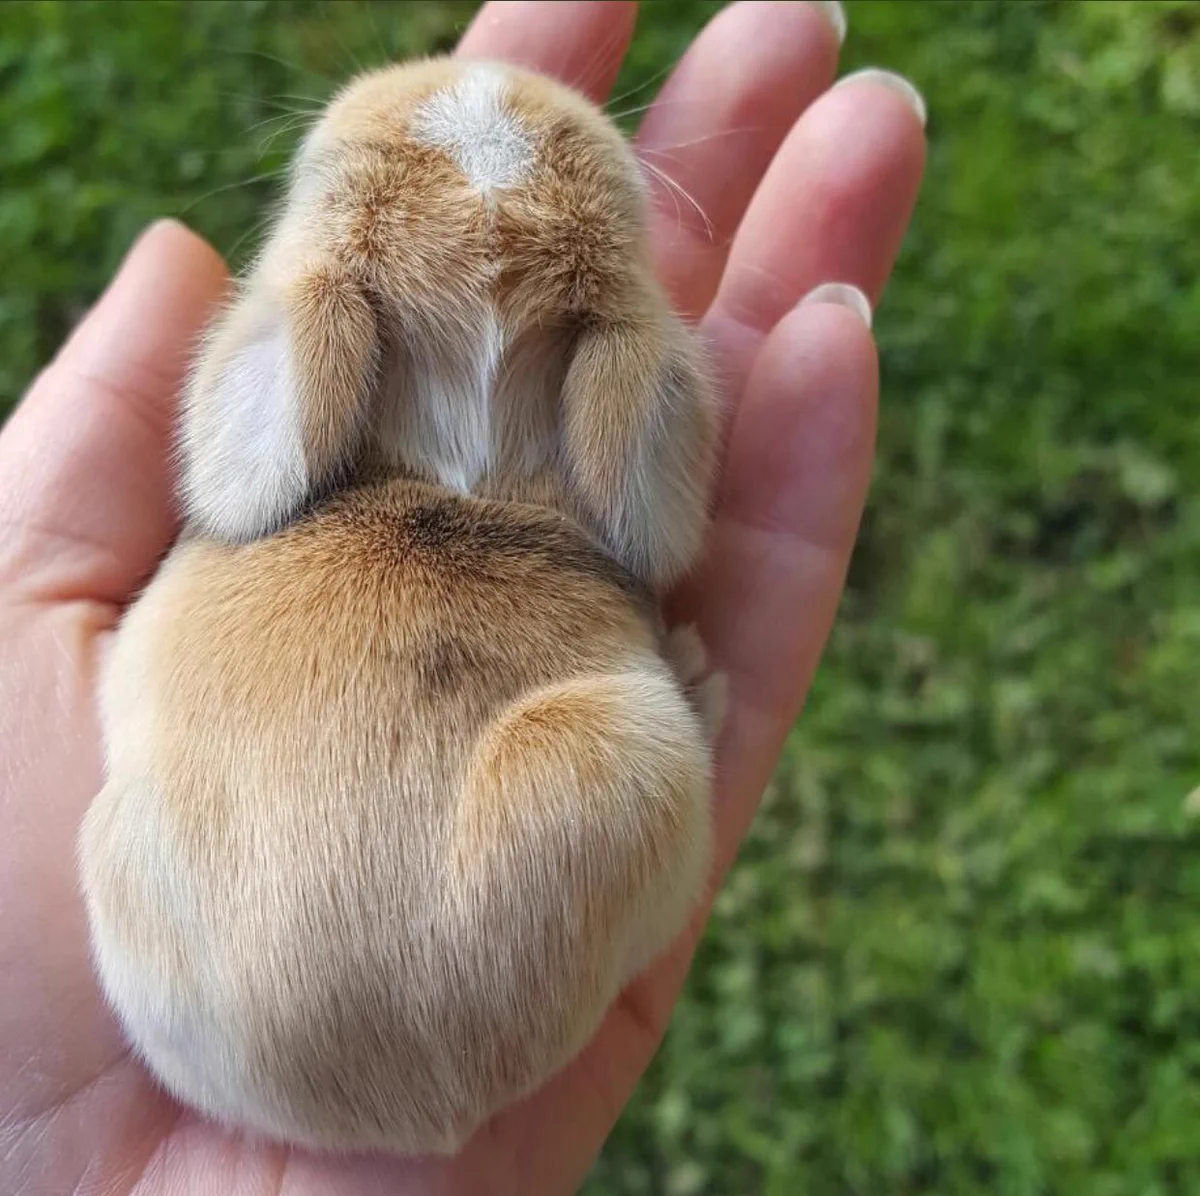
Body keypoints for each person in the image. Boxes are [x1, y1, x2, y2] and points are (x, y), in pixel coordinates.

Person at [0, 2, 925, 1192]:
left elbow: (234, 482)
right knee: (631, 756)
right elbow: (656, 526)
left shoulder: (269, 427)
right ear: (615, 370)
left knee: (153, 780)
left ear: (310, 335)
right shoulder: (628, 441)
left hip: (207, 1021)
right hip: (502, 1014)